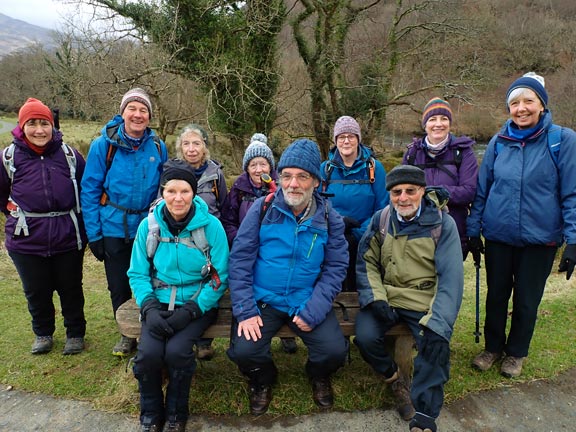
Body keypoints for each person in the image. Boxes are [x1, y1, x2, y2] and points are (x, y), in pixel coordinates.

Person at [227, 138, 349, 415]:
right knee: (244, 352)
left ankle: (318, 375)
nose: (293, 184)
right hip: (264, 300)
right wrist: (245, 310)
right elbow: (240, 261)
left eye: (302, 176)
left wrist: (315, 309)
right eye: (287, 176)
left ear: (316, 182)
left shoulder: (330, 218)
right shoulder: (262, 209)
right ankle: (263, 380)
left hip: (306, 299)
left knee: (334, 352)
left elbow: (335, 268)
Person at [468, 72, 576, 378]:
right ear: (508, 109)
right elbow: (482, 190)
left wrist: (573, 239)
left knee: (527, 301)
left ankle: (516, 353)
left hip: (540, 239)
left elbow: (572, 193)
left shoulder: (562, 141)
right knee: (496, 296)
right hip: (499, 235)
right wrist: (474, 231)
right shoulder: (498, 143)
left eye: (529, 100)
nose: (521, 108)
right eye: (515, 103)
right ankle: (492, 348)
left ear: (541, 104)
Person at [355, 165, 463, 432]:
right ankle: (394, 380)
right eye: (396, 192)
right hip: (388, 296)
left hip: (423, 299)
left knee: (434, 347)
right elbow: (365, 262)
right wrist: (377, 298)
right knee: (365, 338)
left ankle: (425, 416)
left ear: (422, 191)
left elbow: (451, 278)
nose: (402, 197)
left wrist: (439, 322)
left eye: (410, 191)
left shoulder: (442, 223)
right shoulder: (381, 219)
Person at [128, 159, 229, 432]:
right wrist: (148, 306)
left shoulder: (211, 227)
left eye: (184, 191)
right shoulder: (149, 227)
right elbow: (137, 272)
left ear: (194, 193)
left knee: (177, 352)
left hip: (197, 303)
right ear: (162, 193)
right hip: (158, 301)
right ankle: (150, 413)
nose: (178, 198)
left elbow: (220, 276)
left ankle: (175, 413)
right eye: (171, 191)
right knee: (148, 354)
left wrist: (192, 310)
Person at [81, 88, 168, 356]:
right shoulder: (102, 146)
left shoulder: (157, 147)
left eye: (144, 110)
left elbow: (163, 188)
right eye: (132, 108)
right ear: (122, 113)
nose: (138, 114)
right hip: (112, 225)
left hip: (147, 227)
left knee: (150, 280)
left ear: (149, 117)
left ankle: (148, 330)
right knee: (118, 284)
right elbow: (90, 190)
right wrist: (94, 235)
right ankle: (125, 334)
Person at [0, 98, 88, 355]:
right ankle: (43, 333)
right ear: (22, 126)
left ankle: (75, 333)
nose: (39, 130)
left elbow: (86, 190)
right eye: (32, 124)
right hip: (25, 239)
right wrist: (14, 213)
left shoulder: (70, 156)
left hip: (67, 234)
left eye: (44, 123)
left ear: (52, 125)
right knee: (36, 290)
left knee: (71, 287)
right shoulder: (8, 158)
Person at [220, 133, 298, 355]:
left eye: (262, 163)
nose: (258, 169)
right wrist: (241, 240)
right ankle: (242, 333)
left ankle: (287, 336)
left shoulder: (280, 188)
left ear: (270, 166)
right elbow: (228, 220)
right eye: (253, 164)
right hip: (245, 250)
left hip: (274, 252)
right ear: (246, 167)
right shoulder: (238, 188)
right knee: (248, 289)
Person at [175, 123, 227, 360]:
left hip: (209, 239)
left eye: (196, 143)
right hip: (181, 238)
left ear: (204, 146)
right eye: (186, 143)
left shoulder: (216, 173)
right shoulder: (172, 171)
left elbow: (224, 205)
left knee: (209, 284)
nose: (191, 148)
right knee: (187, 282)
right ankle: (184, 334)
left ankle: (205, 342)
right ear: (180, 147)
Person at [403, 98, 478, 259]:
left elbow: (469, 191)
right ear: (425, 124)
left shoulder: (463, 152)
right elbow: (402, 192)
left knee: (450, 283)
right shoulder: (412, 154)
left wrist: (433, 193)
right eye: (432, 119)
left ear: (450, 123)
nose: (438, 124)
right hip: (417, 233)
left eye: (444, 119)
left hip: (454, 232)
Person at [320, 116, 389, 292]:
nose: (346, 141)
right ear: (335, 141)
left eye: (351, 136)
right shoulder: (325, 169)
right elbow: (317, 204)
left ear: (358, 139)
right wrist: (337, 225)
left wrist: (362, 230)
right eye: (341, 137)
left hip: (367, 237)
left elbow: (383, 206)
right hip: (333, 237)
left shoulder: (375, 168)